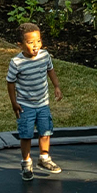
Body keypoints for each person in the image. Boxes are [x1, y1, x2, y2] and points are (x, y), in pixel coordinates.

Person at [6, 22, 63, 181]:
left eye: (38, 41)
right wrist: (14, 102)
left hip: (43, 103)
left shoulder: (44, 55)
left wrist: (56, 86)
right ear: (20, 45)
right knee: (26, 134)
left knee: (46, 131)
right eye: (30, 42)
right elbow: (10, 83)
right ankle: (26, 163)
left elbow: (50, 70)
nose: (36, 45)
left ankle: (44, 159)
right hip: (26, 106)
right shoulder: (16, 62)